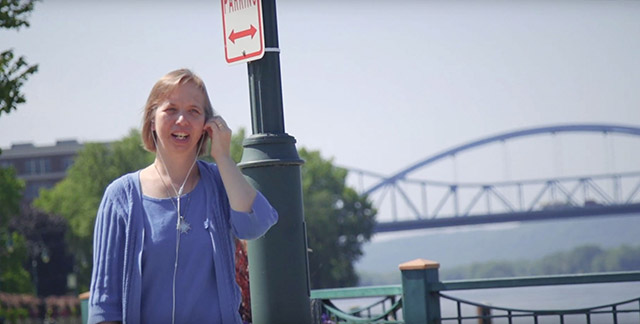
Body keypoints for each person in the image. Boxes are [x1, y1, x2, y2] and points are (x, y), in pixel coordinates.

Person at [88, 69, 278, 324]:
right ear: (151, 119)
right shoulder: (120, 198)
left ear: (207, 126)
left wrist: (223, 157)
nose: (182, 120)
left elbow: (254, 224)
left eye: (194, 111)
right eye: (171, 109)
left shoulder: (220, 182)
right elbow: (104, 307)